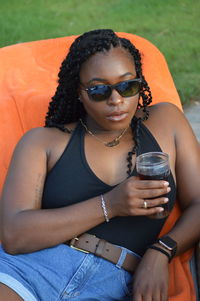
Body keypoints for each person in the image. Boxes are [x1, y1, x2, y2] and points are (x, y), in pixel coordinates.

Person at [0, 29, 199, 301]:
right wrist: (111, 204)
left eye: (127, 86)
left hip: (114, 281)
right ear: (79, 93)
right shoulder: (43, 142)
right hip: (28, 269)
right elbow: (14, 234)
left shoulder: (166, 122)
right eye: (99, 90)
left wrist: (161, 251)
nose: (116, 100)